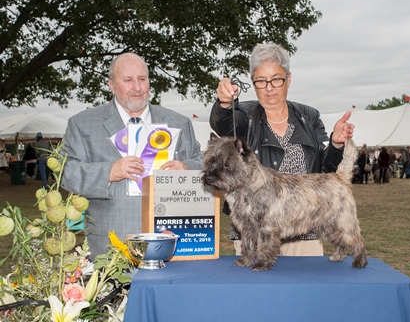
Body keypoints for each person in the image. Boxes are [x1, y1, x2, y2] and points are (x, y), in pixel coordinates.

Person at [210, 42, 354, 257]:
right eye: (261, 81)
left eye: (276, 79)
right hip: (257, 232)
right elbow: (223, 124)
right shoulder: (243, 115)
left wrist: (336, 143)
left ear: (289, 79)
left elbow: (326, 167)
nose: (269, 87)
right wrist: (224, 104)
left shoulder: (310, 116)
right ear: (253, 82)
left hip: (305, 230)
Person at [61, 52, 203, 259]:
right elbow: (67, 173)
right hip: (110, 246)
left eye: (142, 79)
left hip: (171, 241)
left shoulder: (179, 123)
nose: (137, 87)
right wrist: (109, 171)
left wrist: (187, 168)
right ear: (111, 84)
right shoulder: (82, 124)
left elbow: (202, 163)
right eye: (128, 80)